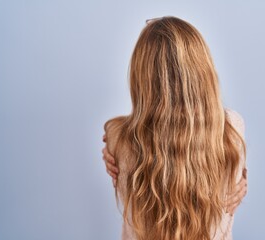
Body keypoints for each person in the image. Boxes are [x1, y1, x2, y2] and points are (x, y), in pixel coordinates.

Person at [101, 16, 248, 240]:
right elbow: (234, 182)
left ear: (143, 78)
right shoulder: (232, 128)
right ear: (202, 71)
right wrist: (243, 174)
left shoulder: (116, 136)